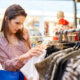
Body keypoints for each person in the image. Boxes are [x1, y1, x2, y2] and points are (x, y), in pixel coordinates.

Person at [0, 4, 44, 73]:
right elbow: (6, 65)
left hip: (30, 73)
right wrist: (22, 57)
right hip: (15, 76)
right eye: (17, 23)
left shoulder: (24, 32)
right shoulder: (0, 39)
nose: (20, 27)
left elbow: (30, 53)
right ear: (7, 19)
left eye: (21, 24)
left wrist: (36, 50)